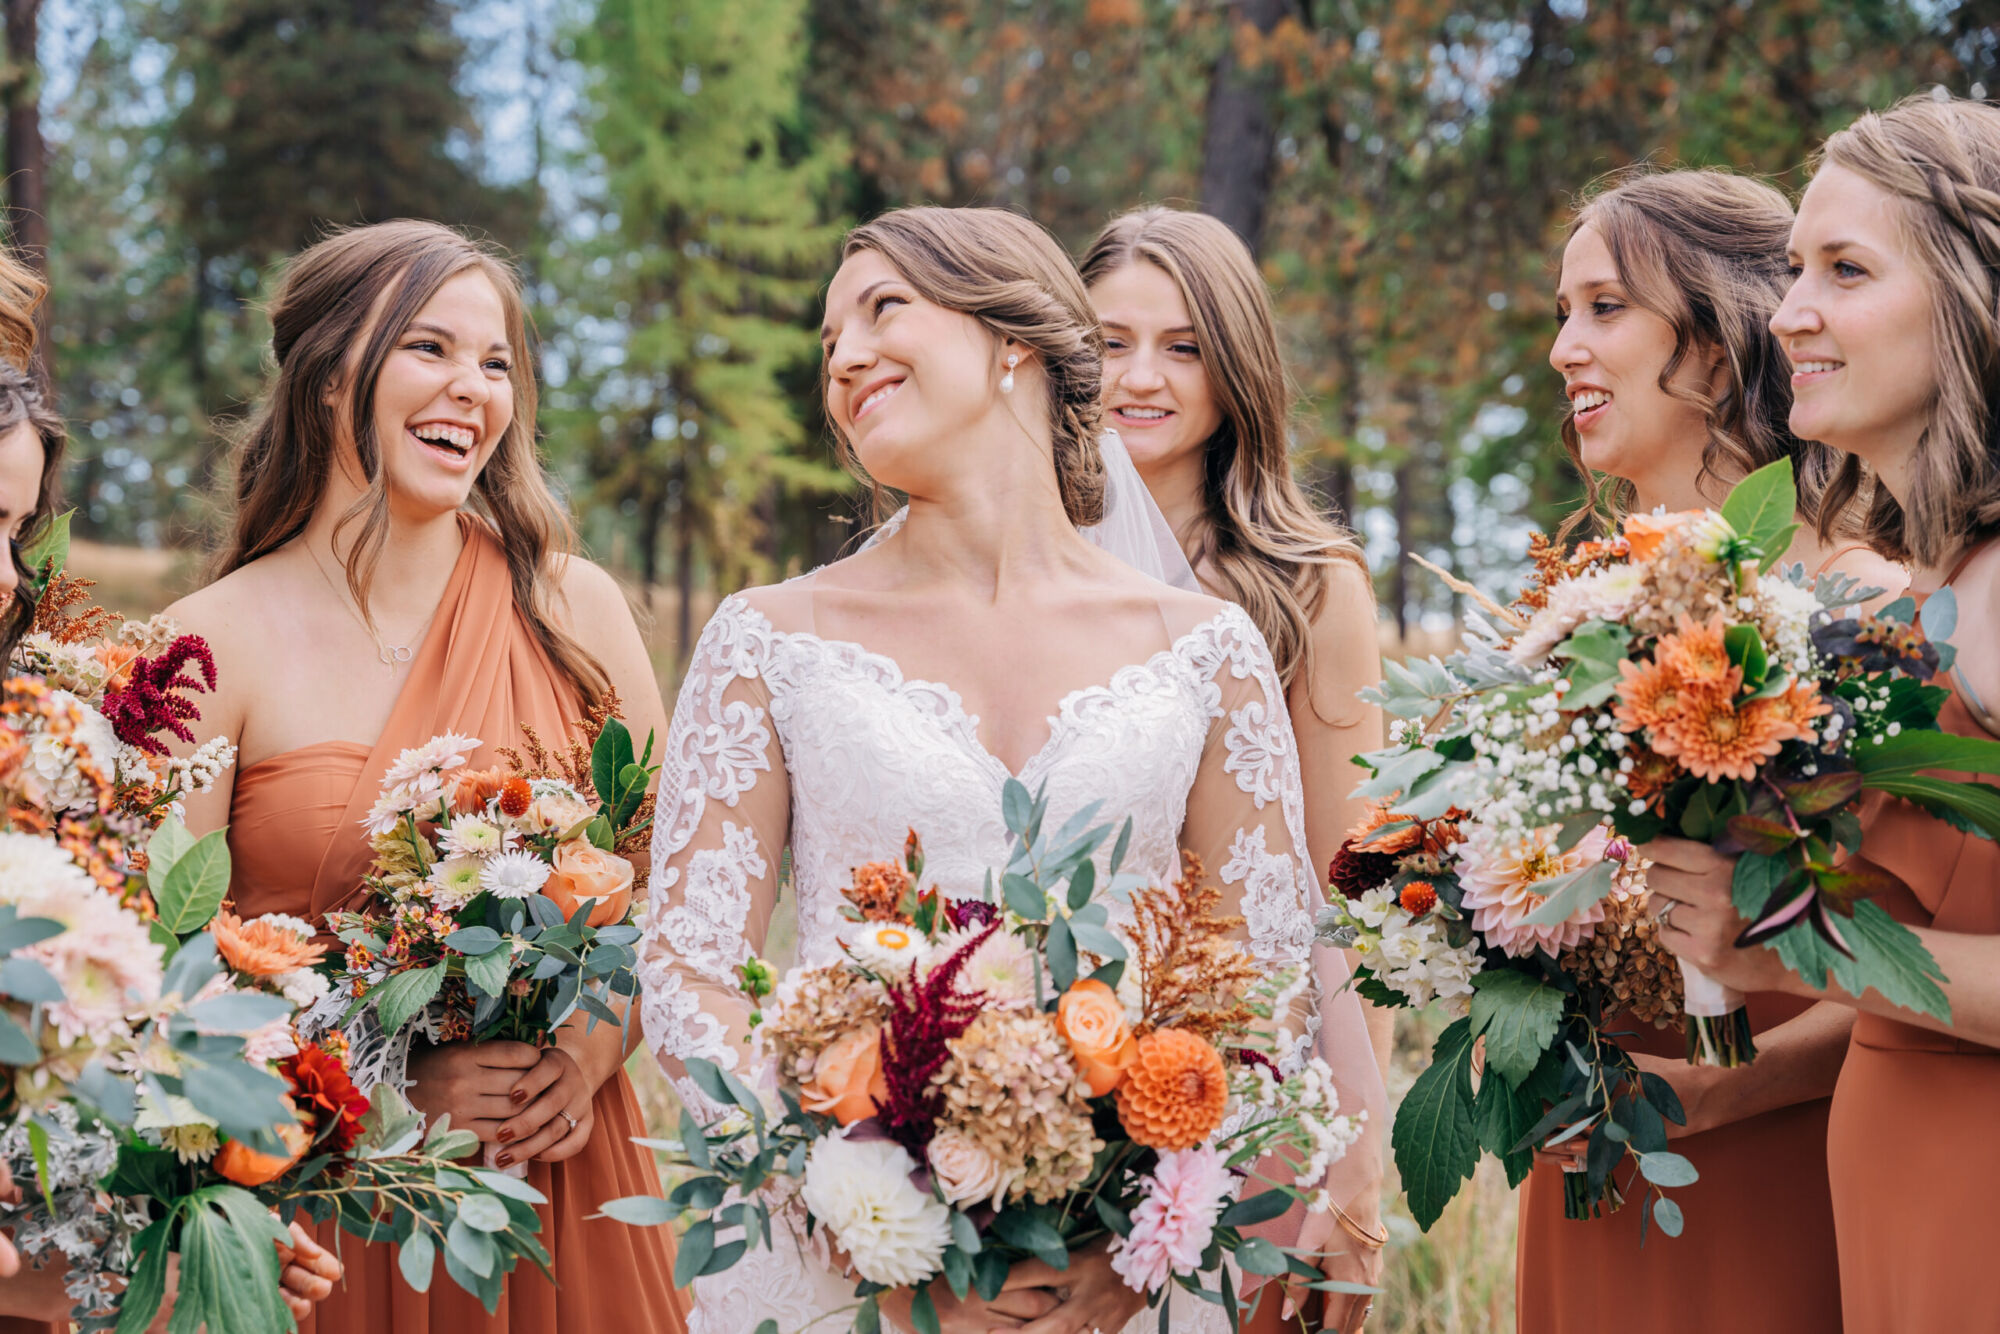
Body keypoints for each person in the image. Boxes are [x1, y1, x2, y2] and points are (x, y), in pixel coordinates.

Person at [639, 204, 1385, 1334]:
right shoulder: (767, 639)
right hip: (843, 1268)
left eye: (882, 308)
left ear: (1011, 343)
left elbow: (1265, 980)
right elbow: (689, 974)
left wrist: (1133, 1245)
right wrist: (871, 1216)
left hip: (1127, 1282)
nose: (843, 355)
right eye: (828, 339)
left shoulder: (1203, 648)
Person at [166, 219, 685, 1332]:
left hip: (557, 1190)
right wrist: (388, 1080)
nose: (471, 389)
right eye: (430, 349)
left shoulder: (572, 608)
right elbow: (164, 988)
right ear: (324, 378)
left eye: (495, 363)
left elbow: (674, 877)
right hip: (327, 1205)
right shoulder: (204, 649)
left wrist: (596, 1045)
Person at [1526, 165, 1909, 1333]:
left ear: (1713, 328)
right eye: (1558, 315)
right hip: (1592, 1146)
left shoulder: (1862, 604)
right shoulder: (1569, 614)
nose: (1561, 351)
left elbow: (1928, 958)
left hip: (1775, 1152)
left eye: (1602, 308)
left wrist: (1719, 1086)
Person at [1649, 93, 2000, 1333]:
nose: (1788, 311)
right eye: (1792, 267)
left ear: (1972, 300)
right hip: (1899, 1173)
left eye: (1842, 270)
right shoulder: (1935, 588)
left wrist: (1794, 944)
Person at [1076, 206, 1387, 1331]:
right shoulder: (1017, 569)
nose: (1139, 377)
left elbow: (1348, 885)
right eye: (1109, 341)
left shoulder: (1308, 586)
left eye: (1183, 345)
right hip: (1054, 1069)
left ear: (1234, 368)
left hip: (1244, 1077)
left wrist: (1354, 1155)